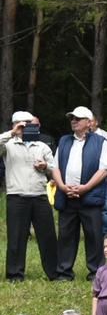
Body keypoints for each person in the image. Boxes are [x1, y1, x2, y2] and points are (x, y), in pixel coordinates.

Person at [53, 105, 107, 280]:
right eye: (72, 118)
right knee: (66, 235)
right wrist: (63, 186)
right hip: (67, 196)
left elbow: (104, 169)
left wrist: (86, 187)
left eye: (77, 118)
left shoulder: (100, 141)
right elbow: (55, 167)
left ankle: (96, 271)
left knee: (94, 235)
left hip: (90, 196)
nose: (73, 121)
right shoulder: (64, 141)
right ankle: (64, 271)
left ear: (89, 122)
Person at [0, 111, 57, 281]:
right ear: (16, 124)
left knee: (47, 236)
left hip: (39, 195)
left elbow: (55, 169)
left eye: (30, 123)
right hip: (16, 196)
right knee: (16, 236)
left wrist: (45, 166)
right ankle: (15, 274)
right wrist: (13, 133)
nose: (28, 127)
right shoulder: (8, 145)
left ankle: (54, 273)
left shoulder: (42, 146)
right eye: (24, 124)